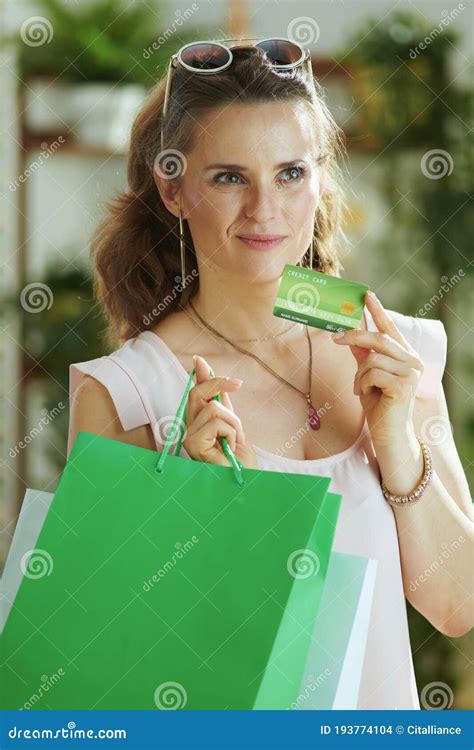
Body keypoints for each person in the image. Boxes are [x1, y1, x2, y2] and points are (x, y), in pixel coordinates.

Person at [68, 39, 472, 709]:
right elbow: (106, 682)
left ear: (321, 177)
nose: (265, 209)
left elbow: (457, 605)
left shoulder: (401, 353)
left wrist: (396, 439)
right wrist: (202, 512)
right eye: (229, 176)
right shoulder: (128, 395)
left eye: (290, 173)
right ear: (174, 187)